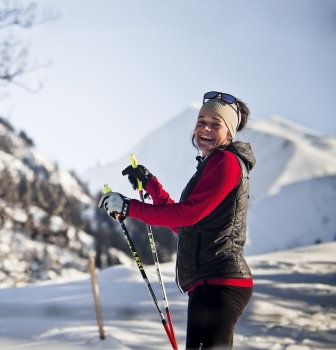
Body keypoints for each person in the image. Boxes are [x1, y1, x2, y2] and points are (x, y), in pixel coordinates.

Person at [98, 91, 255, 349]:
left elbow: (187, 214)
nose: (205, 128)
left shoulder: (226, 162)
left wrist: (129, 207)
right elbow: (185, 224)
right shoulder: (211, 165)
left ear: (229, 132)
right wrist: (152, 185)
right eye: (201, 120)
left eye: (215, 124)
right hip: (208, 284)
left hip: (220, 282)